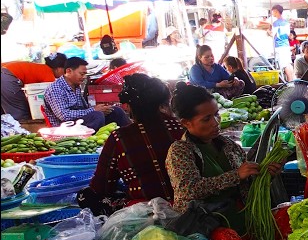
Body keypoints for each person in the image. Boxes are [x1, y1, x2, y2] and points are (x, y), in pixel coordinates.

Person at [166, 83, 279, 224]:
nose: (216, 122)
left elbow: (245, 184)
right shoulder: (180, 151)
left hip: (241, 222)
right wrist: (235, 175)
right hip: (206, 230)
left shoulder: (228, 144)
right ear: (186, 123)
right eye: (206, 119)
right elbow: (188, 190)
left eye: (216, 114)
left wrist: (263, 175)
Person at [80, 74, 185, 213]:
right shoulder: (181, 127)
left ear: (129, 106)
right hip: (187, 202)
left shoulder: (120, 137)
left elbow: (101, 187)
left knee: (84, 196)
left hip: (146, 210)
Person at [43, 57, 130, 129]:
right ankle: (95, 144)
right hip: (65, 126)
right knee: (97, 115)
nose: (84, 77)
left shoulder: (76, 86)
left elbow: (84, 108)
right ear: (69, 71)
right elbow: (64, 115)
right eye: (82, 74)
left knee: (116, 111)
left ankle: (131, 137)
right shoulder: (55, 89)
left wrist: (102, 108)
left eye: (85, 74)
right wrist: (93, 110)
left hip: (79, 121)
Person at [1, 54, 65, 120]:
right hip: (7, 78)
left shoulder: (41, 68)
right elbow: (53, 95)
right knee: (21, 114)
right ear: (59, 69)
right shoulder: (48, 73)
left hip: (5, 75)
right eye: (65, 70)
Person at [268, 5, 293, 79]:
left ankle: (290, 82)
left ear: (276, 11)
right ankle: (291, 80)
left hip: (280, 45)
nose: (272, 13)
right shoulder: (286, 22)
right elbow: (288, 35)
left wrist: (268, 31)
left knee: (284, 65)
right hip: (286, 45)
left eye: (273, 12)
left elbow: (273, 34)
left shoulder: (276, 23)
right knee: (288, 64)